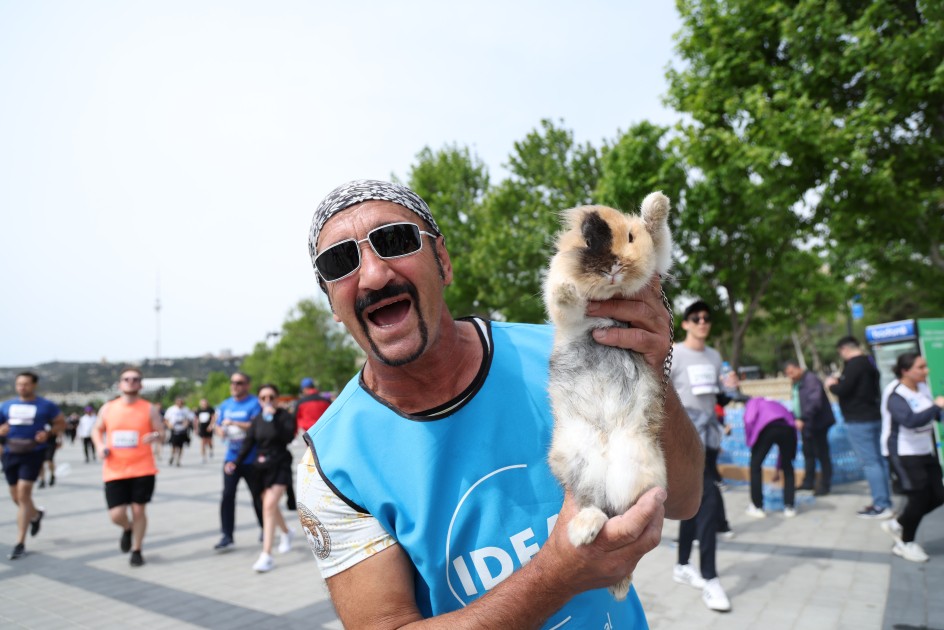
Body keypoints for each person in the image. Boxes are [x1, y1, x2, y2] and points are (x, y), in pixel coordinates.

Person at [295, 179, 703, 628]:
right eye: (340, 261)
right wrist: (558, 574)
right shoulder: (332, 466)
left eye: (395, 241)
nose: (374, 275)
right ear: (332, 302)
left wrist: (653, 372)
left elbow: (684, 500)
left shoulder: (562, 349)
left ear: (442, 261)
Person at [669, 300, 740, 612]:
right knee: (709, 500)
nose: (702, 322)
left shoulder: (714, 356)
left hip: (709, 439)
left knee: (693, 502)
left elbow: (715, 397)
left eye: (706, 318)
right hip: (683, 440)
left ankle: (682, 564)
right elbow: (659, 394)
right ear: (685, 323)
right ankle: (710, 578)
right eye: (696, 318)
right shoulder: (673, 353)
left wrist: (730, 390)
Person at [91, 367, 165, 567]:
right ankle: (127, 528)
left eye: (135, 379)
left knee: (139, 510)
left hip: (143, 469)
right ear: (120, 384)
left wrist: (156, 436)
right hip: (115, 469)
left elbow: (162, 433)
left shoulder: (149, 408)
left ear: (141, 384)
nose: (131, 382)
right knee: (116, 514)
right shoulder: (108, 408)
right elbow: (96, 430)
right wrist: (99, 446)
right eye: (127, 379)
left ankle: (137, 550)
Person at [879, 353, 944, 562]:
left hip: (924, 450)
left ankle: (898, 523)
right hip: (903, 452)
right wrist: (937, 406)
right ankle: (906, 543)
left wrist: (938, 411)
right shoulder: (895, 394)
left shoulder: (922, 387)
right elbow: (910, 420)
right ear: (905, 371)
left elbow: (934, 415)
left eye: (925, 366)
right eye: (921, 367)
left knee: (939, 494)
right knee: (919, 497)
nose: (926, 371)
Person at [228, 384, 296, 572]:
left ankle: (266, 555)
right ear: (259, 400)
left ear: (277, 398)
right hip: (262, 466)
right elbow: (248, 442)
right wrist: (235, 462)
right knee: (269, 505)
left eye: (271, 397)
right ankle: (286, 532)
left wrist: (274, 418)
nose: (267, 401)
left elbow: (288, 437)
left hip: (280, 463)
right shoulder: (257, 420)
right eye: (263, 398)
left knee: (268, 505)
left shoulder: (284, 416)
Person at [824, 336, 893, 519]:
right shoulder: (869, 362)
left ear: (844, 349)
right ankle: (885, 501)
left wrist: (832, 385)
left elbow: (844, 390)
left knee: (871, 463)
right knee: (880, 461)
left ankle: (881, 504)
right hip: (874, 416)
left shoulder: (854, 365)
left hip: (859, 420)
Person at [0, 371, 65, 560]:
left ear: (34, 385)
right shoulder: (6, 405)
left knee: (23, 494)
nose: (22, 387)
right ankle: (35, 515)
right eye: (19, 384)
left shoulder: (45, 405)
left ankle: (20, 542)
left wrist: (48, 433)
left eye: (26, 384)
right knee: (16, 497)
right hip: (10, 453)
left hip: (33, 453)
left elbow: (60, 424)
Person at [214, 372, 264, 551]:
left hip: (252, 459)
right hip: (231, 459)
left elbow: (257, 425)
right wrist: (220, 431)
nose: (235, 385)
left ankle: (265, 528)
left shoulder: (254, 403)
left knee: (257, 496)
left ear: (247, 385)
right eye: (232, 382)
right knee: (227, 496)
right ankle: (227, 536)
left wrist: (235, 423)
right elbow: (218, 425)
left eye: (239, 382)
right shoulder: (225, 405)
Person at [783, 360, 835, 495]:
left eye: (792, 372)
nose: (790, 376)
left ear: (798, 368)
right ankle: (808, 482)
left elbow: (814, 402)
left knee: (822, 454)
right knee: (808, 453)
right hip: (806, 424)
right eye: (788, 374)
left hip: (817, 423)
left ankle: (825, 485)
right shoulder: (797, 382)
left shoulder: (811, 380)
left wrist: (803, 418)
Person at [742, 397, 798, 518]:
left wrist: (750, 441)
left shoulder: (753, 401)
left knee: (755, 466)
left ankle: (757, 507)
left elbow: (749, 419)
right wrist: (778, 469)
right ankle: (789, 507)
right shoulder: (775, 403)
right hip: (788, 428)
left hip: (767, 428)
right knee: (788, 466)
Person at [163, 397, 194, 467]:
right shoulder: (171, 409)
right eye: (178, 402)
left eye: (181, 402)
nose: (180, 403)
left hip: (182, 430)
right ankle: (172, 456)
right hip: (174, 429)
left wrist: (187, 423)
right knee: (174, 445)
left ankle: (178, 460)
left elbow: (190, 418)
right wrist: (169, 425)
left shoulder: (186, 410)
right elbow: (165, 419)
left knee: (181, 446)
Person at [38, 424, 62, 488]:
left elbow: (58, 430)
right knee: (40, 463)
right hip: (39, 443)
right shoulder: (38, 421)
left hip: (51, 443)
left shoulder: (51, 421)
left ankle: (52, 474)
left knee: (49, 461)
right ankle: (42, 480)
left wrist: (60, 441)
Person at [194, 398, 215, 463]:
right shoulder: (199, 410)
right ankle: (203, 457)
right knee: (202, 442)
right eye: (202, 403)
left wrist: (211, 425)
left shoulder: (210, 409)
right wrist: (196, 428)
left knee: (209, 441)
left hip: (208, 427)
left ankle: (211, 449)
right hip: (202, 427)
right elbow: (196, 420)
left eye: (205, 403)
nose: (204, 405)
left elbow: (213, 418)